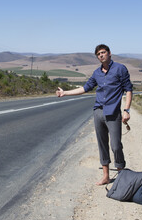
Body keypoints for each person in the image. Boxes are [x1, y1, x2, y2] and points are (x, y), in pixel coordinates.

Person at [56, 44, 133, 185]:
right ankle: (106, 176)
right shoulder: (97, 73)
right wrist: (65, 93)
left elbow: (128, 90)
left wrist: (126, 110)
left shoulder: (120, 69)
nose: (101, 55)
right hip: (98, 112)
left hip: (113, 113)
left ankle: (121, 175)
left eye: (103, 52)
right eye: (98, 54)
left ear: (109, 53)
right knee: (102, 145)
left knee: (116, 145)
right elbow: (85, 88)